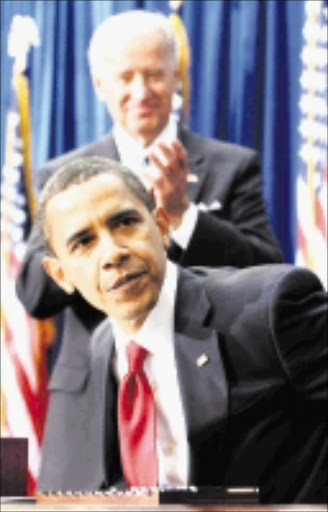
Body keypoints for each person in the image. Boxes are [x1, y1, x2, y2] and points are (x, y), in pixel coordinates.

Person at [36, 156, 327, 503]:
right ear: (60, 274)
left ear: (160, 226)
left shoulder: (270, 308)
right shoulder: (104, 346)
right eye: (83, 242)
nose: (113, 253)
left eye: (125, 222)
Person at [16, 10, 281, 331]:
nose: (141, 92)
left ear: (176, 77)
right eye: (126, 78)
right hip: (101, 373)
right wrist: (86, 250)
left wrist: (183, 215)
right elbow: (33, 296)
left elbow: (268, 274)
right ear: (100, 85)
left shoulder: (233, 165)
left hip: (210, 365)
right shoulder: (62, 178)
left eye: (154, 75)